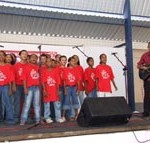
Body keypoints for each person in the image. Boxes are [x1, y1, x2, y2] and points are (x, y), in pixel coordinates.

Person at [42, 58, 65, 123]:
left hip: (55, 90)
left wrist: (58, 90)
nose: (49, 63)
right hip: (47, 90)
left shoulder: (55, 70)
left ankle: (58, 118)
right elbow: (43, 82)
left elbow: (58, 81)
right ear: (45, 63)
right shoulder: (44, 71)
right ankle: (47, 118)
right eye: (47, 62)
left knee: (57, 105)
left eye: (50, 61)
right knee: (47, 105)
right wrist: (44, 90)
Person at [20, 54, 40, 125]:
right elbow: (24, 79)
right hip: (29, 87)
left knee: (37, 104)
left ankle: (38, 120)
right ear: (29, 59)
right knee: (27, 104)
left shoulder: (38, 67)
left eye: (35, 57)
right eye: (32, 57)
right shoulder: (26, 67)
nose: (34, 59)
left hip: (37, 87)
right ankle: (23, 120)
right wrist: (25, 88)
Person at [62, 56, 80, 121]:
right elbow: (64, 80)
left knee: (75, 101)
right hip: (68, 87)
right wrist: (65, 89)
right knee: (66, 101)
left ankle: (77, 115)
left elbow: (78, 80)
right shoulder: (65, 70)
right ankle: (63, 116)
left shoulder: (76, 70)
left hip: (74, 87)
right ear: (69, 62)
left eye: (74, 61)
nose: (74, 62)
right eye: (72, 61)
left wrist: (78, 89)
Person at [13, 50, 28, 123]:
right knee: (17, 102)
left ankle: (26, 117)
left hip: (27, 86)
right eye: (23, 54)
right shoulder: (16, 65)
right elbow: (13, 76)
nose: (24, 55)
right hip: (18, 86)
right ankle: (16, 117)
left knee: (27, 102)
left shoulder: (29, 65)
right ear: (20, 55)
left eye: (26, 54)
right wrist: (14, 86)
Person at [0, 50, 15, 124]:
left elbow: (11, 78)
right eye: (0, 55)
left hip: (5, 86)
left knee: (8, 103)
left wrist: (10, 88)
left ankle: (10, 119)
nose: (1, 57)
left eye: (2, 55)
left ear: (5, 57)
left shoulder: (8, 66)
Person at [137, 42, 150, 117]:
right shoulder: (145, 55)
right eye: (149, 47)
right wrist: (144, 68)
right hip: (147, 79)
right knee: (147, 95)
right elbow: (138, 65)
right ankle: (146, 112)